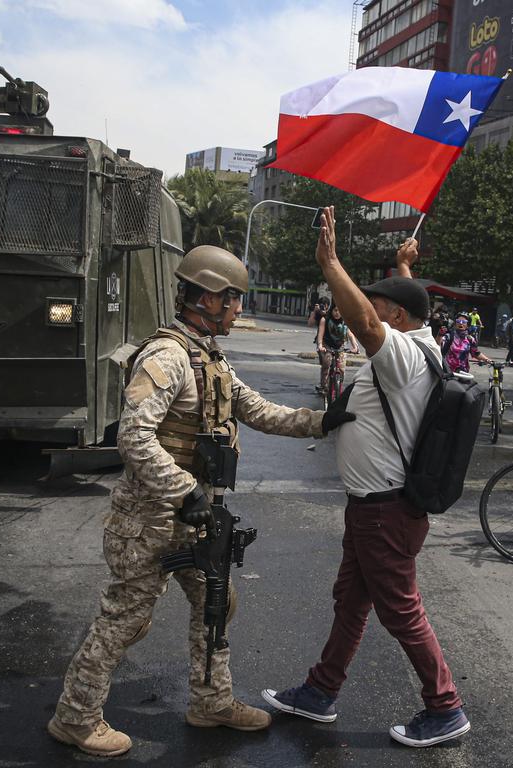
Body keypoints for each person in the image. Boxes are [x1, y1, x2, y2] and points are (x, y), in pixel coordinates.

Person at [49, 245, 347, 758]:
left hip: (196, 518)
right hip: (150, 520)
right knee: (125, 619)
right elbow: (134, 437)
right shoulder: (166, 357)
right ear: (208, 297)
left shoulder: (209, 357)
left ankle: (211, 702)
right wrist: (184, 490)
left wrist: (322, 420)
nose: (238, 311)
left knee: (216, 604)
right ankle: (74, 717)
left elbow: (256, 410)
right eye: (233, 300)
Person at [262, 206, 470, 748]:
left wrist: (331, 265)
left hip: (385, 511)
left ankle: (445, 707)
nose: (368, 313)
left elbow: (371, 323)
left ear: (397, 319)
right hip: (372, 508)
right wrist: (404, 268)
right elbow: (404, 309)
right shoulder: (418, 342)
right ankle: (320, 691)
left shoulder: (402, 355)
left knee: (401, 611)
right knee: (351, 602)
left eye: (381, 305)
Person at [317, 302, 359, 393]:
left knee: (342, 368)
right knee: (326, 363)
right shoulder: (325, 319)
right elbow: (320, 334)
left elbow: (350, 334)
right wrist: (320, 345)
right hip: (327, 345)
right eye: (335, 310)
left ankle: (338, 386)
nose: (337, 313)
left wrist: (355, 347)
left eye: (340, 311)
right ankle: (323, 385)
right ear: (331, 310)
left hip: (340, 346)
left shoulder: (346, 321)